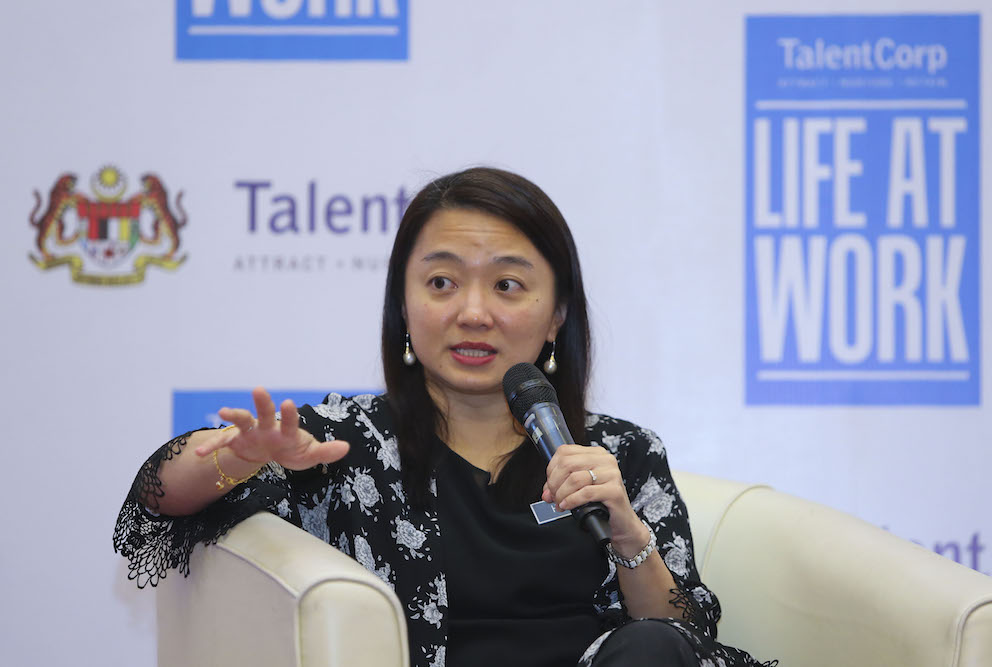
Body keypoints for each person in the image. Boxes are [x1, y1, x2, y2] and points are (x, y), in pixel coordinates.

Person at [114, 167, 774, 667]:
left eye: (507, 284)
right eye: (441, 282)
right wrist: (239, 454)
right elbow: (159, 493)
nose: (473, 312)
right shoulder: (345, 444)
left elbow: (688, 635)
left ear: (558, 315)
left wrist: (631, 537)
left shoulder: (620, 451)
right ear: (403, 306)